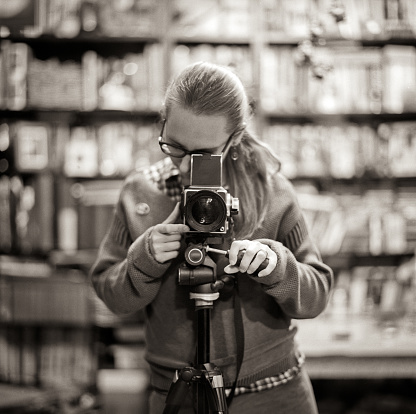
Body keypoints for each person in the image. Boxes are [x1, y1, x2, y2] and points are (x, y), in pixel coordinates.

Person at [89, 61, 333, 413]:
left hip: (272, 391)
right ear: (163, 120)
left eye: (203, 154)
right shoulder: (141, 193)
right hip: (177, 391)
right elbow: (110, 294)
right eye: (173, 147)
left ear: (234, 139)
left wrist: (278, 266)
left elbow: (317, 294)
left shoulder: (272, 191)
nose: (186, 166)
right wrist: (144, 260)